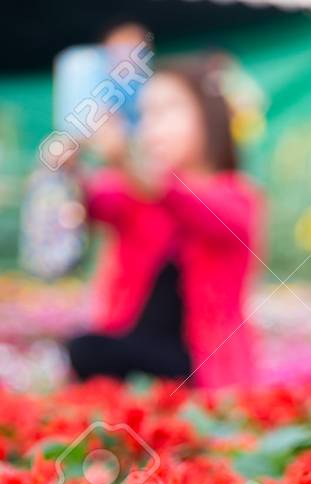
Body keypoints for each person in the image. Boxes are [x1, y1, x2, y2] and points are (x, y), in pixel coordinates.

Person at [66, 56, 262, 390]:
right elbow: (92, 202)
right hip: (132, 362)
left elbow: (187, 203)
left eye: (166, 111)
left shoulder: (237, 196)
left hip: (202, 373)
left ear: (210, 117)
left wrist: (125, 158)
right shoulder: (132, 193)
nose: (152, 127)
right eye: (145, 115)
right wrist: (67, 169)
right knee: (86, 349)